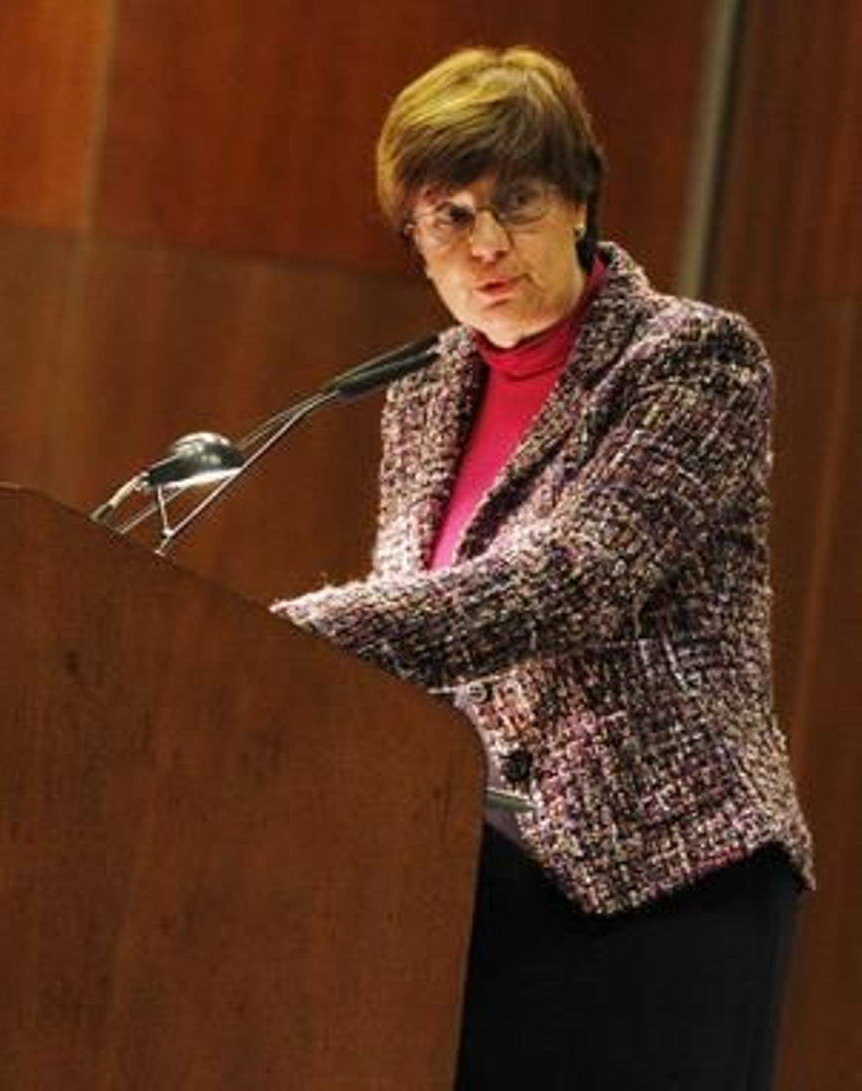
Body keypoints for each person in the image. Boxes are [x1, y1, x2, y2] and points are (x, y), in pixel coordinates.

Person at [271, 46, 813, 1090]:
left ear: (577, 199)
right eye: (447, 216)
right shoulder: (422, 393)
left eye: (514, 201)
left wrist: (293, 631)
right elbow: (421, 629)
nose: (484, 243)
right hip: (472, 878)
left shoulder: (690, 358)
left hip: (666, 876)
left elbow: (578, 578)